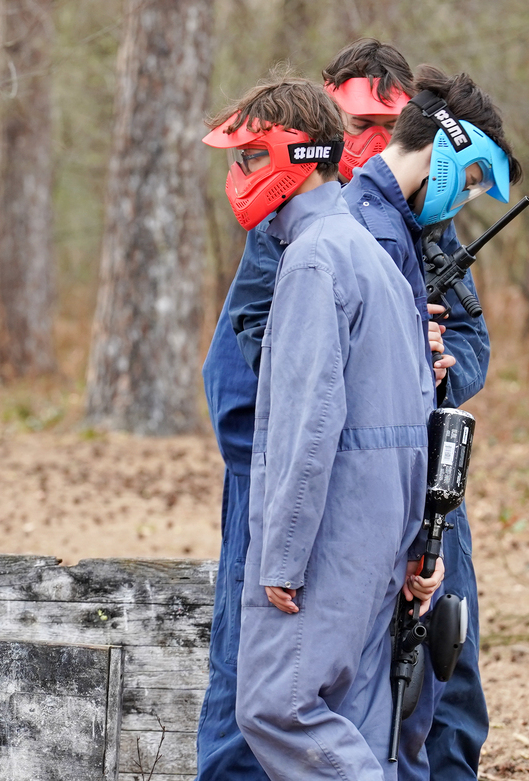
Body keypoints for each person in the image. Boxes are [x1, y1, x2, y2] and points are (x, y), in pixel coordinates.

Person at [195, 39, 428, 781]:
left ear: (298, 156)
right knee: (355, 717)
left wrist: (282, 555)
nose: (237, 177)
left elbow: (305, 424)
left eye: (250, 158)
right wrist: (414, 540)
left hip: (327, 534)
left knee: (277, 707)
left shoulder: (313, 260)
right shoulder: (367, 249)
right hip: (375, 532)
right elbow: (419, 411)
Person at [341, 63, 522, 781]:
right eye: (471, 177)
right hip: (375, 486)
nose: (468, 194)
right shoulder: (344, 225)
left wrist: (439, 366)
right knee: (388, 688)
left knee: (451, 661)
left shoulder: (435, 231)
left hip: (434, 474)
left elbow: (471, 347)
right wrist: (398, 349)